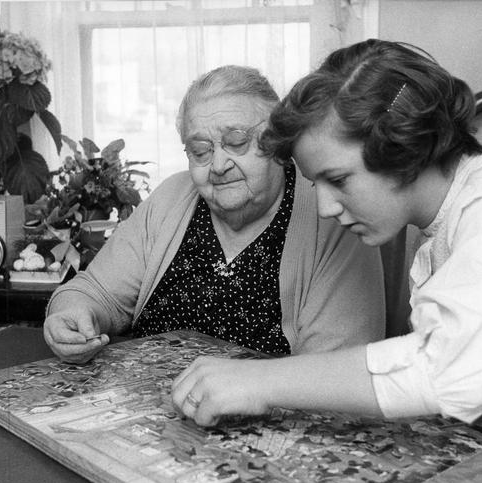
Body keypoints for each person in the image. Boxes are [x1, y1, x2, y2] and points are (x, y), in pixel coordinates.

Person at [171, 39, 482, 431]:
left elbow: (448, 370)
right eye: (317, 185)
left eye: (338, 180)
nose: (325, 208)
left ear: (405, 147)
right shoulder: (444, 219)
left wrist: (259, 381)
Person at [43, 65, 385, 364]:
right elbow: (95, 292)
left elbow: (335, 370)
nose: (219, 165)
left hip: (266, 422)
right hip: (146, 418)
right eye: (201, 151)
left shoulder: (331, 212)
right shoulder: (171, 198)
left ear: (278, 143)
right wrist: (72, 315)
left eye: (237, 142)